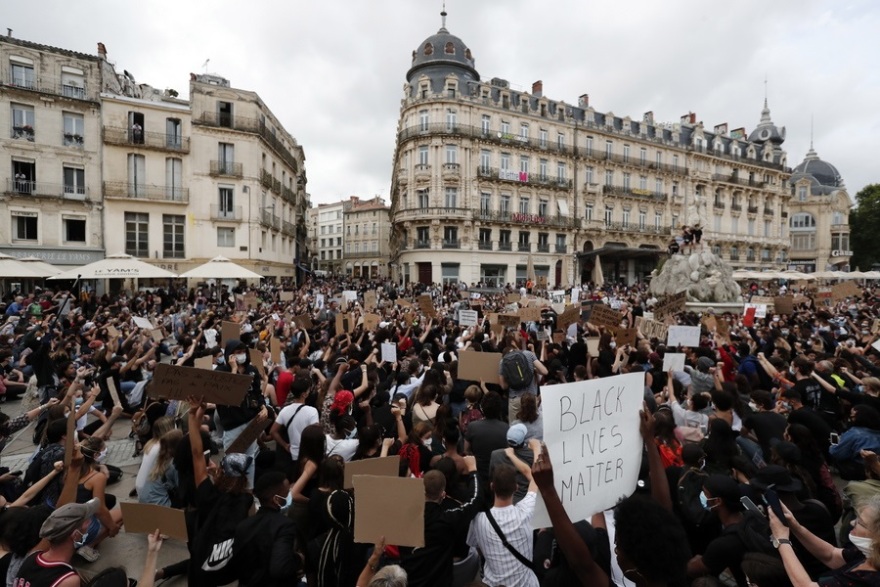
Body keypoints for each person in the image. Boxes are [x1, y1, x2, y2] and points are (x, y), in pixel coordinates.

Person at [399, 456, 480, 587]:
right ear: (443, 493)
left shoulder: (402, 515)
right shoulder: (448, 518)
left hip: (412, 581)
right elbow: (475, 500)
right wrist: (473, 470)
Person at [467, 445, 541, 587]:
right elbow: (535, 478)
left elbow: (477, 548)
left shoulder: (478, 520)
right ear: (516, 487)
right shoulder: (526, 512)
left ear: (492, 486)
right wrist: (537, 449)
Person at [769, 494, 880, 586]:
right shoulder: (870, 552)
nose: (852, 523)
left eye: (860, 523)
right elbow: (831, 555)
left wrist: (781, 539)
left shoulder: (870, 580)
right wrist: (796, 526)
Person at [12, 499, 100, 587]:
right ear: (75, 535)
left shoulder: (32, 557)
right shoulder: (67, 580)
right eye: (87, 521)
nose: (89, 523)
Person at [232, 471, 299, 587]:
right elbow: (279, 568)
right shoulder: (285, 525)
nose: (290, 495)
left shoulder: (242, 526)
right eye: (287, 493)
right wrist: (298, 559)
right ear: (276, 499)